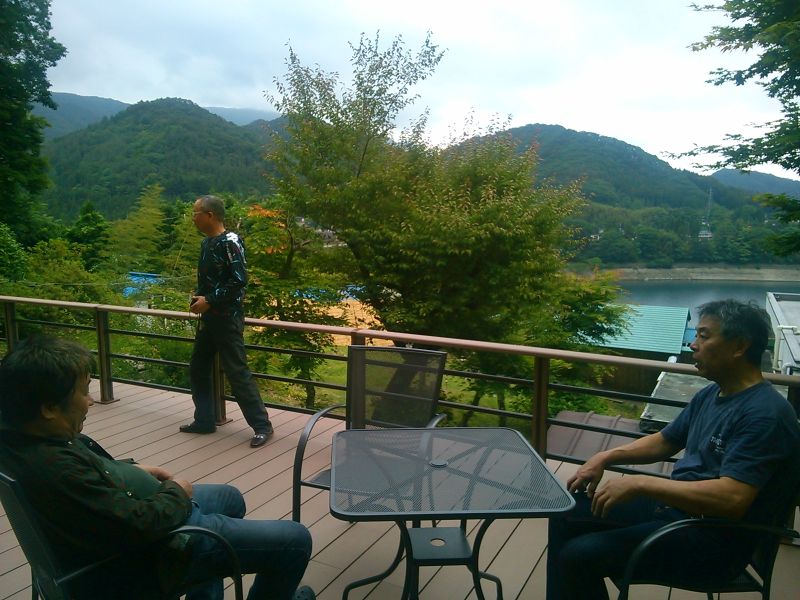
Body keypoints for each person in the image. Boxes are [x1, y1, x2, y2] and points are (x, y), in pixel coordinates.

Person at [0, 335, 316, 600]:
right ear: (49, 408)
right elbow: (140, 523)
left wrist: (132, 469)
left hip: (119, 526)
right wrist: (177, 492)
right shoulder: (55, 467)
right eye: (84, 392)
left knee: (229, 497)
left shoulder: (22, 438)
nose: (90, 401)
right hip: (146, 556)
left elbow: (89, 483)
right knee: (295, 540)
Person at [547, 299, 800, 600]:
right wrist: (605, 457)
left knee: (578, 556)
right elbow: (666, 440)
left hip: (713, 541)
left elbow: (732, 498)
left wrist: (640, 484)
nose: (693, 344)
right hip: (676, 513)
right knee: (565, 509)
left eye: (704, 336)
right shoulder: (712, 393)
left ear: (739, 346)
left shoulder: (765, 415)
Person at [181, 194, 274, 448]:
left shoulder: (230, 241)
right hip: (209, 319)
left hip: (227, 319)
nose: (193, 218)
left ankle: (262, 426)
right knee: (198, 368)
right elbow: (211, 281)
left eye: (195, 213)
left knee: (237, 372)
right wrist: (200, 299)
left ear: (209, 215)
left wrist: (209, 300)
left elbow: (239, 281)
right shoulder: (207, 243)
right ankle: (204, 420)